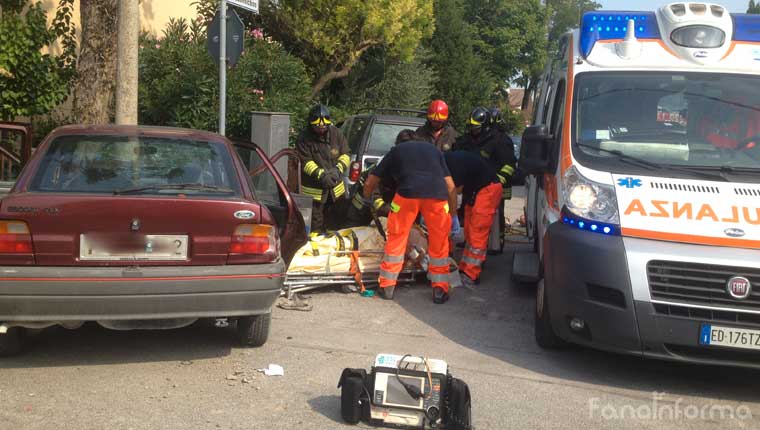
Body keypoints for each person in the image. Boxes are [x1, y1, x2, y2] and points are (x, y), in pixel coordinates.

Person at [363, 140, 457, 304]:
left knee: (397, 237)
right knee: (439, 240)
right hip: (437, 196)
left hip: (407, 194)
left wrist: (367, 198)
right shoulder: (434, 151)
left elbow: (370, 182)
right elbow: (450, 186)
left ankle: (387, 286)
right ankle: (440, 289)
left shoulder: (395, 151)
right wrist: (453, 214)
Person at [454, 106, 516, 254]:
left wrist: (497, 181)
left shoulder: (499, 141)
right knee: (470, 216)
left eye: (476, 128)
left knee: (492, 216)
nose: (472, 130)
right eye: (471, 127)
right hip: (472, 186)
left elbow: (509, 165)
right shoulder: (468, 140)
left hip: (491, 187)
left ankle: (496, 243)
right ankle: (471, 242)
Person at [444, 151, 503, 286]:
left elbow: (455, 191)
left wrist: (452, 216)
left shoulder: (452, 165)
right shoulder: (447, 161)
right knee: (470, 231)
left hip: (488, 189)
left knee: (477, 232)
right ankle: (465, 268)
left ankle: (471, 274)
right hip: (476, 190)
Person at [344, 130, 417, 227]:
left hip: (383, 202)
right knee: (356, 235)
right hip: (363, 205)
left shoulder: (414, 161)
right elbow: (372, 188)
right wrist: (387, 209)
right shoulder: (387, 160)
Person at [296, 104, 351, 234]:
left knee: (336, 224)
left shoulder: (336, 134)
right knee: (315, 227)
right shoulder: (303, 138)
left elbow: (346, 154)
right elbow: (305, 161)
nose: (321, 129)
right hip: (315, 193)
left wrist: (338, 170)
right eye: (317, 127)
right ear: (311, 124)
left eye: (324, 126)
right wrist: (321, 174)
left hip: (336, 192)